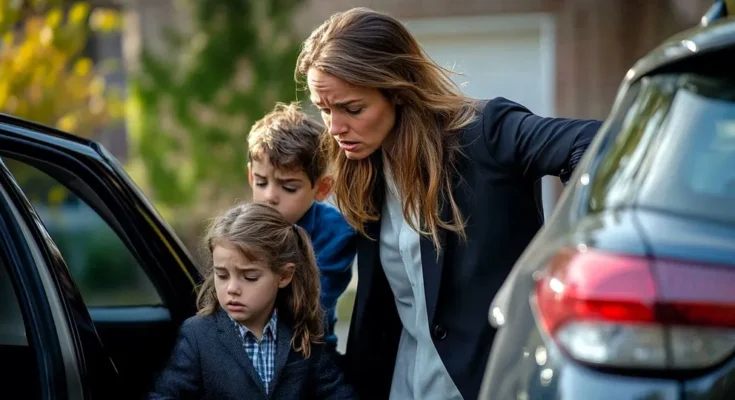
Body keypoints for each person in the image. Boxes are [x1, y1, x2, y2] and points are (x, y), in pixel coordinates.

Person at [295, 7, 603, 400]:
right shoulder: (363, 167)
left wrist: (561, 253)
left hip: (492, 385)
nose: (335, 128)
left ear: (399, 90)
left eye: (353, 109)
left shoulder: (485, 131)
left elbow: (596, 143)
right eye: (325, 110)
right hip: (400, 386)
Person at [148, 202, 356, 400]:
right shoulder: (198, 334)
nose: (231, 289)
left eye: (249, 277)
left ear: (284, 276)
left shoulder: (302, 330)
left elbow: (338, 393)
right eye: (221, 275)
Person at [246, 102, 357, 355]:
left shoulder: (336, 233)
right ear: (251, 176)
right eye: (262, 182)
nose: (270, 197)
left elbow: (314, 304)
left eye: (289, 188)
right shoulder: (241, 228)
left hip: (310, 350)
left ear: (322, 188)